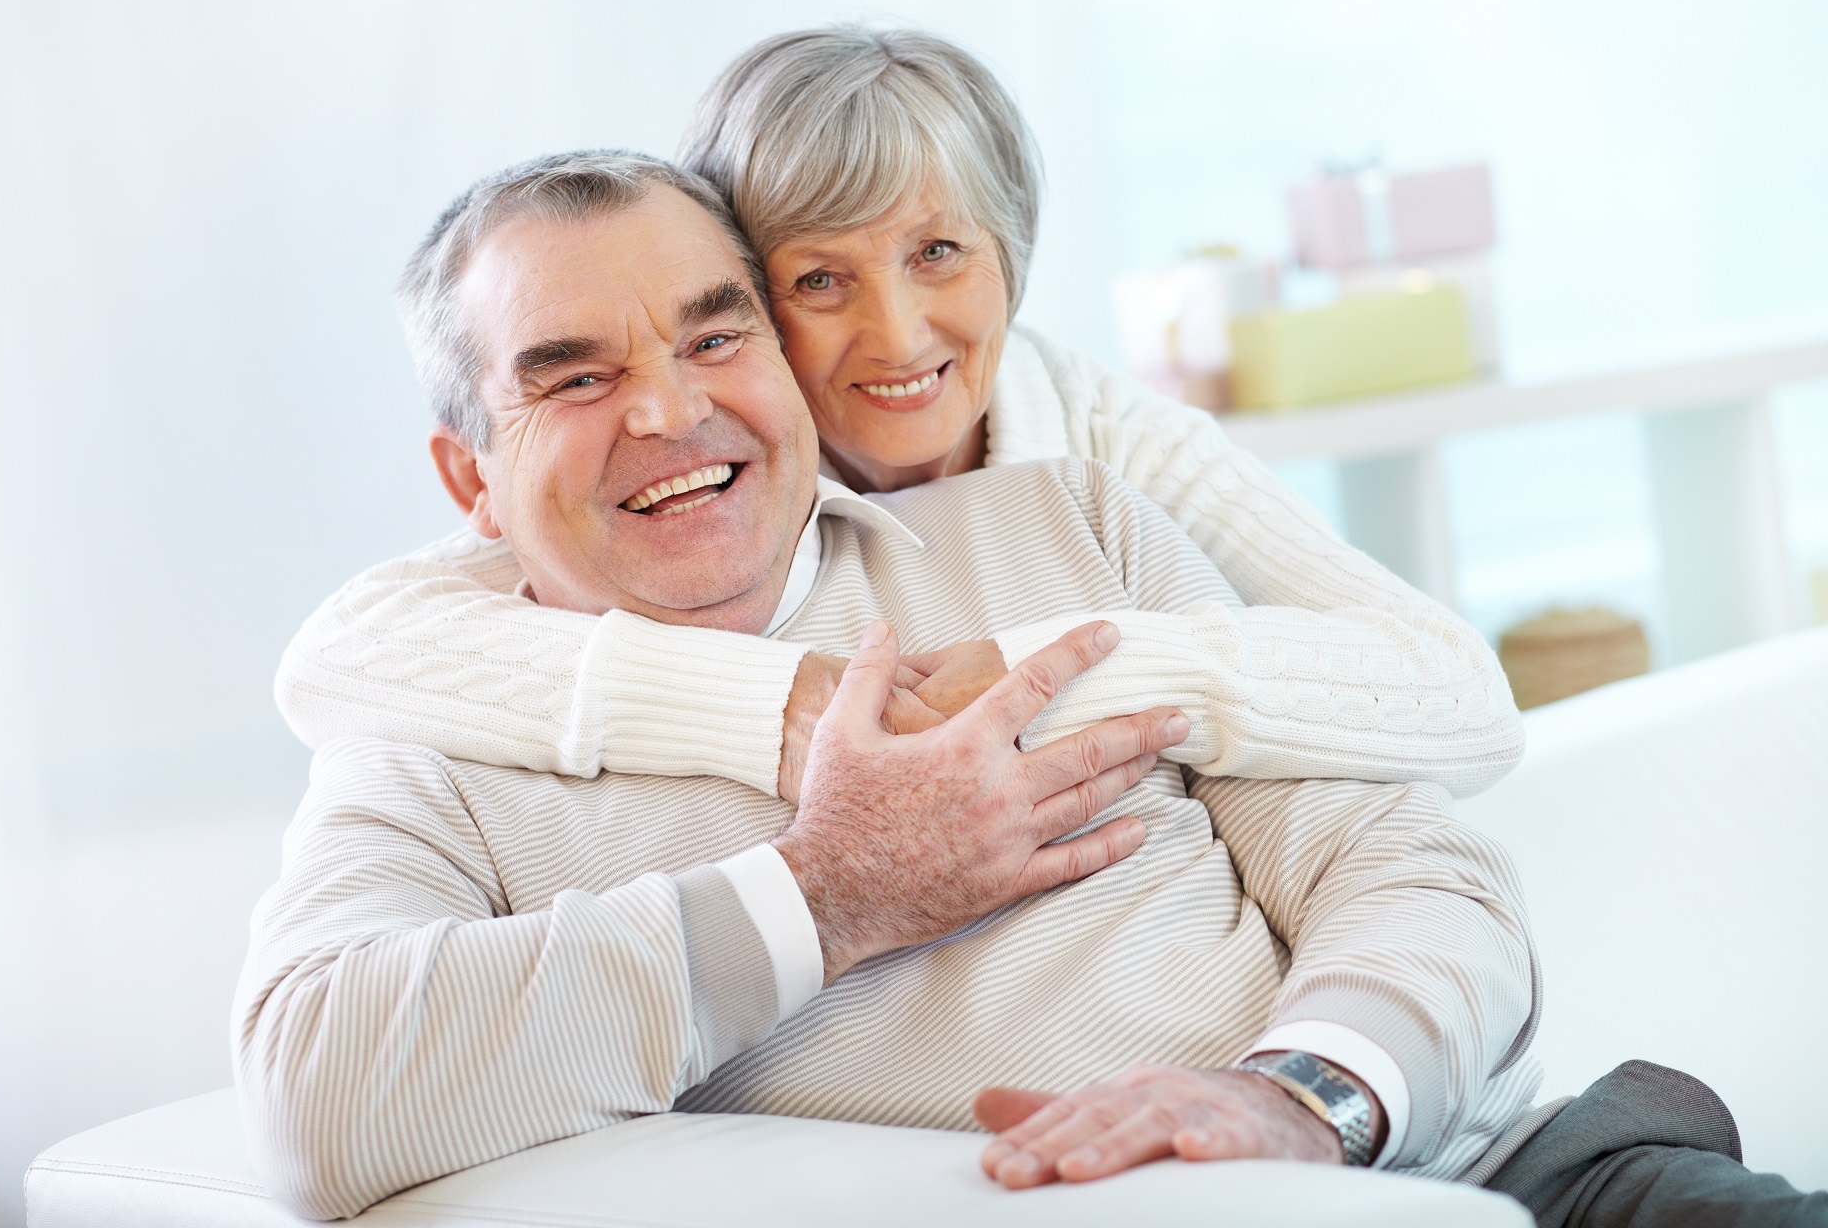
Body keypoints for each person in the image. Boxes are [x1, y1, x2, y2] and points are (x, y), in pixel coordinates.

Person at [237, 152, 1543, 1219]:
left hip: (1448, 1169)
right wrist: (826, 896)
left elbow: (1413, 871)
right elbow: (317, 1089)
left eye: (712, 335)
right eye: (576, 376)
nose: (666, 412)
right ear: (469, 480)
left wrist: (1300, 1098)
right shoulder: (433, 736)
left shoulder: (1072, 521)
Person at [273, 27, 1525, 811]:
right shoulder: (688, 480)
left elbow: (1462, 691)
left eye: (939, 251)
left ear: (1011, 256)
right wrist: (781, 707)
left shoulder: (1098, 435)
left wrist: (1071, 672)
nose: (901, 334)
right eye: (820, 280)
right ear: (743, 302)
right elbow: (337, 656)